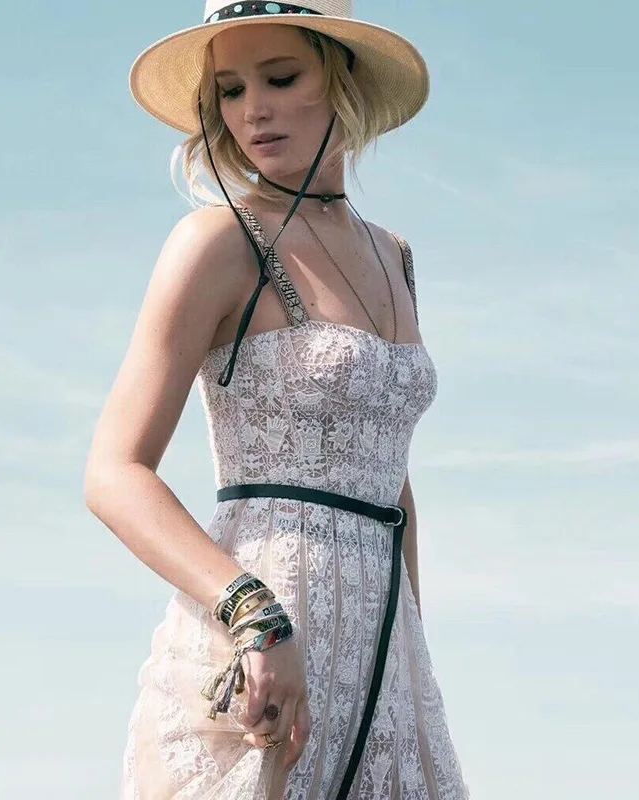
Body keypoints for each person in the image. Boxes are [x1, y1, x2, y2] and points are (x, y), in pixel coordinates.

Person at [84, 2, 471, 798]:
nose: (252, 109)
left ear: (343, 80)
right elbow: (113, 473)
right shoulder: (218, 241)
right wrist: (253, 613)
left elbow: (390, 482)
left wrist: (412, 661)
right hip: (255, 648)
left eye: (281, 77)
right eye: (230, 90)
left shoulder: (395, 256)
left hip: (382, 656)